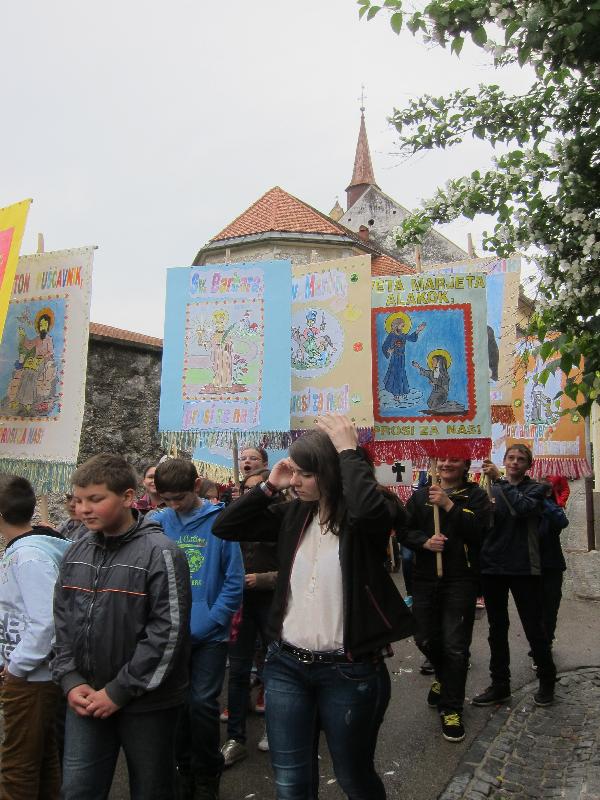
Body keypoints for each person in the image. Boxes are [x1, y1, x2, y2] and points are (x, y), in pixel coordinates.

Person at [213, 413, 414, 800]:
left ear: (331, 473)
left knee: (353, 777)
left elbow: (369, 512)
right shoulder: (293, 514)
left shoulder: (367, 516)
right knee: (290, 781)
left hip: (349, 669)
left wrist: (348, 451)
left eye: (306, 474)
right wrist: (269, 485)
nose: (296, 481)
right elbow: (226, 527)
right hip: (286, 666)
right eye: (295, 472)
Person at [52, 453, 192, 800]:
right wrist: (70, 679)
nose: (84, 509)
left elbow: (168, 632)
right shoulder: (75, 551)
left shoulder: (161, 553)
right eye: (78, 500)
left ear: (128, 497)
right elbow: (62, 621)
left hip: (146, 703)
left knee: (151, 789)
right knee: (78, 789)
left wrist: (118, 691)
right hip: (86, 695)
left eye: (95, 499)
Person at [152, 458, 244, 800]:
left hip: (209, 634)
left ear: (196, 486)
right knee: (175, 706)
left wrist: (214, 619)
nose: (174, 506)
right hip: (170, 632)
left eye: (180, 498)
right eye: (167, 500)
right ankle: (184, 769)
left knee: (202, 704)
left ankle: (207, 772)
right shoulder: (157, 523)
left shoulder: (221, 522)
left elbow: (234, 580)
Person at [402, 457, 492, 742]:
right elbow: (404, 531)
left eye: (454, 459)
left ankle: (451, 708)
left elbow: (480, 532)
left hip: (461, 579)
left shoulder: (475, 496)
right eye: (443, 459)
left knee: (455, 647)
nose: (446, 464)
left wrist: (449, 505)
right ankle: (443, 676)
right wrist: (424, 542)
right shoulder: (420, 496)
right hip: (425, 579)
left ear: (465, 466)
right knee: (423, 638)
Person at [0, 474, 70, 800]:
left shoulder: (29, 557)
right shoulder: (25, 550)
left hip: (31, 676)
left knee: (17, 766)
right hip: (28, 672)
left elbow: (45, 623)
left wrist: (16, 668)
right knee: (40, 758)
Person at [473, 444, 557, 708]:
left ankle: (547, 679)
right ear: (504, 459)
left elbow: (522, 508)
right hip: (492, 566)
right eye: (511, 457)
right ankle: (500, 684)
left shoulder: (537, 489)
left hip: (523, 567)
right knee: (497, 629)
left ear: (528, 465)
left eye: (521, 459)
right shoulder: (490, 488)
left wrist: (499, 480)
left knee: (534, 627)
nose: (515, 462)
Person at [221, 468, 278, 766]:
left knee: (274, 667)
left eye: (263, 487)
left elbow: (296, 568)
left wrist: (264, 579)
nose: (256, 493)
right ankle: (235, 737)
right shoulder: (237, 521)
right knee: (239, 670)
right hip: (241, 603)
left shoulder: (284, 519)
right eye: (249, 489)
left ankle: (274, 728)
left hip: (272, 602)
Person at [538, 481, 569, 648]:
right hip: (531, 565)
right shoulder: (528, 505)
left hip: (552, 564)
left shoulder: (552, 508)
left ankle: (546, 641)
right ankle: (538, 643)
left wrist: (544, 501)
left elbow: (562, 522)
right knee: (535, 608)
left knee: (550, 606)